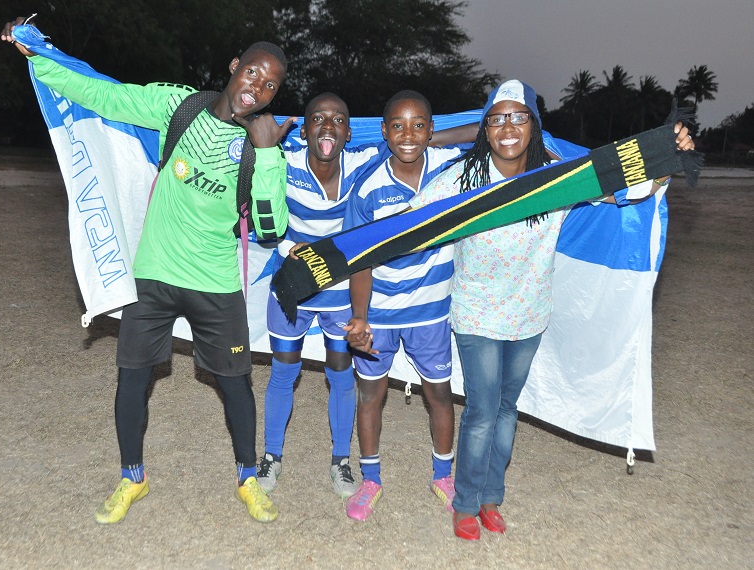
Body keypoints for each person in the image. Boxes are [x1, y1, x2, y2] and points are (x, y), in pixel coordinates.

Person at [0, 17, 297, 524]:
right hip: (155, 274)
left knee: (235, 385)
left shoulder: (262, 145)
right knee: (132, 380)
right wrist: (41, 60)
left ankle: (248, 478)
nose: (258, 87)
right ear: (234, 66)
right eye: (253, 72)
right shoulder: (179, 106)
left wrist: (268, 155)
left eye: (271, 84)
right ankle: (132, 477)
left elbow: (271, 227)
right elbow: (106, 97)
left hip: (216, 283)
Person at [409, 79, 696, 540]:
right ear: (484, 128)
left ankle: (491, 497)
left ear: (534, 126)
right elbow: (408, 223)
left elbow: (625, 188)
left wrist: (665, 155)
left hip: (530, 314)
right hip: (477, 314)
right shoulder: (463, 178)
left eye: (518, 117)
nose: (508, 127)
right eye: (497, 118)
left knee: (507, 409)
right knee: (482, 410)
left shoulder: (558, 177)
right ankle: (465, 502)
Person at [258, 93, 478, 499]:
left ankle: (341, 460)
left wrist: (433, 136)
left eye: (339, 120)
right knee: (284, 371)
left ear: (350, 132)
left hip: (339, 290)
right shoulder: (281, 163)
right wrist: (287, 245)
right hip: (293, 286)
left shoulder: (364, 162)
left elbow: (410, 139)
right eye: (318, 119)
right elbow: (261, 214)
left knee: (341, 374)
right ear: (303, 131)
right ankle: (272, 455)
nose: (328, 126)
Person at [341, 90, 468, 521]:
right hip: (379, 311)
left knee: (440, 393)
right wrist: (360, 317)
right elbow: (360, 260)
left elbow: (489, 131)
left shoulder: (451, 169)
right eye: (398, 126)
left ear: (431, 130)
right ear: (383, 131)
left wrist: (438, 138)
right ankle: (371, 480)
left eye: (418, 126)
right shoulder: (368, 187)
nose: (408, 135)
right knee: (370, 394)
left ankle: (443, 475)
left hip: (431, 311)